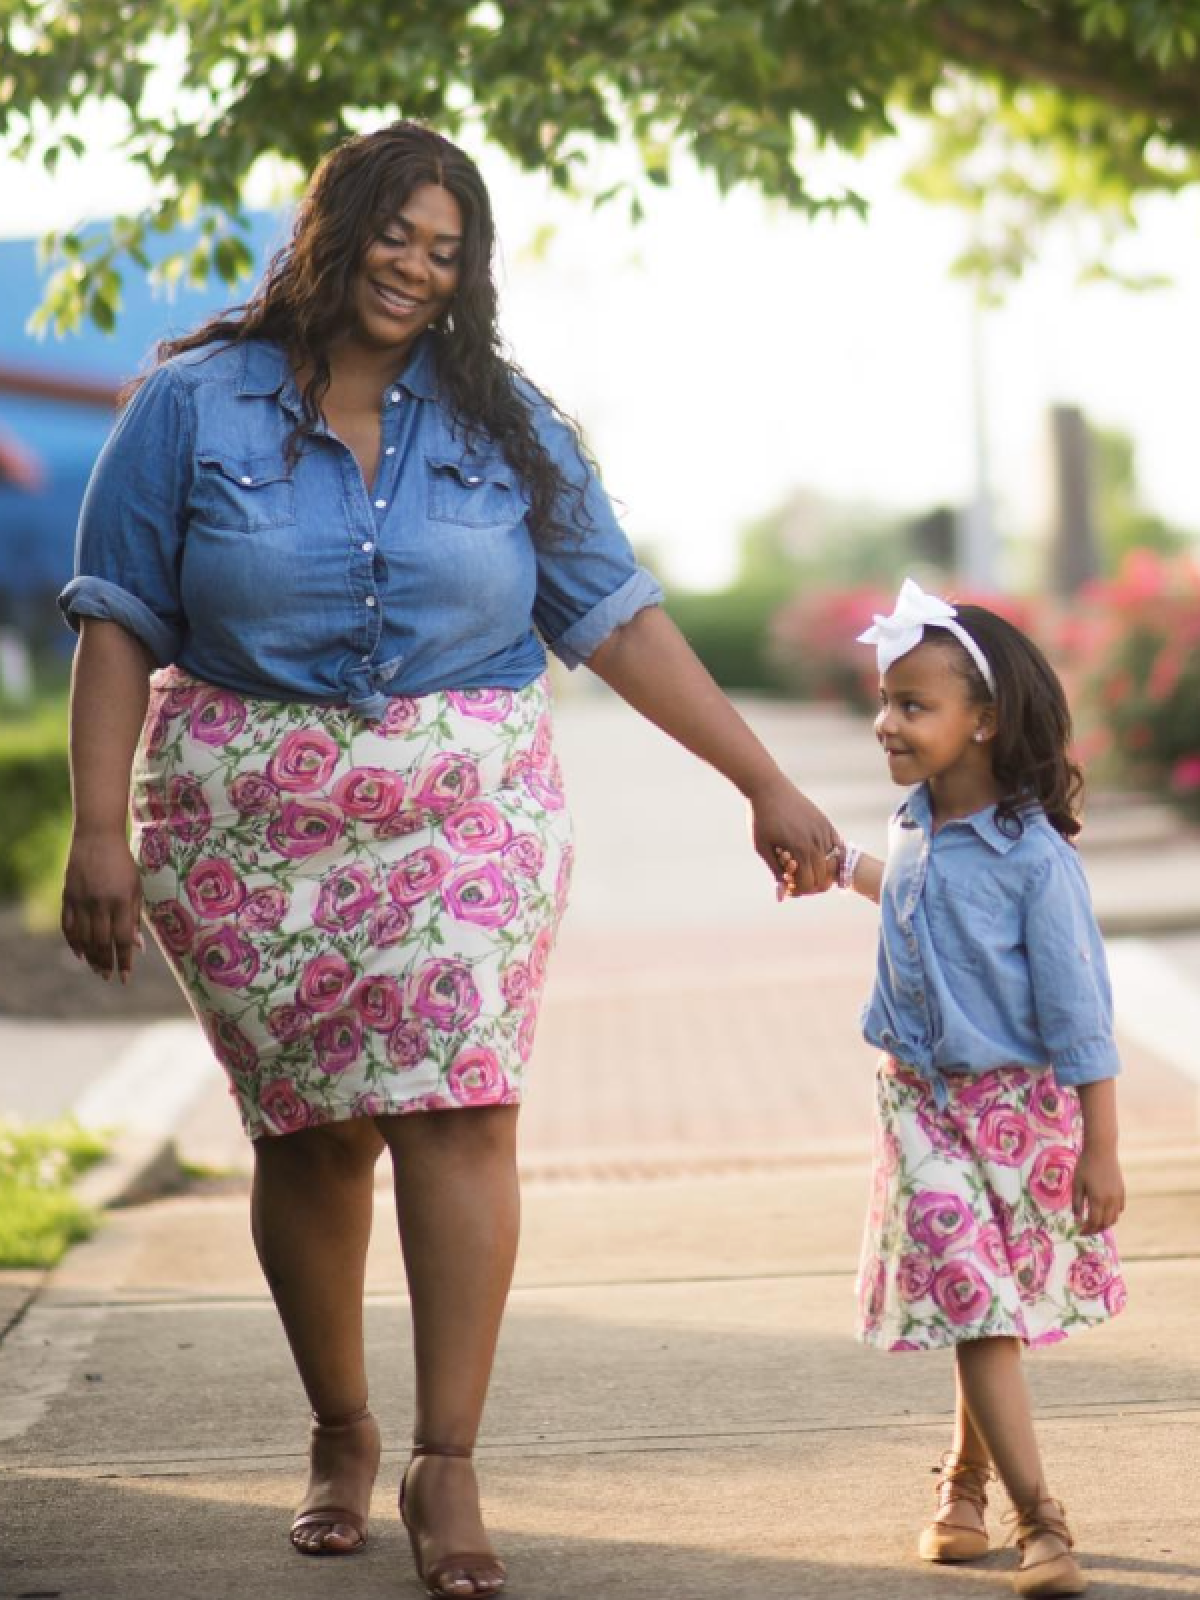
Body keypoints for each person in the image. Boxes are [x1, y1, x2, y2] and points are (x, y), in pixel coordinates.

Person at [57, 121, 839, 1598]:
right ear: (327, 229)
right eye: (395, 233)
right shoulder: (184, 408)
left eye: (447, 248)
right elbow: (116, 622)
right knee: (310, 1134)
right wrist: (97, 830)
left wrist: (766, 782)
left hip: (462, 807)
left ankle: (446, 1458)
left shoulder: (509, 423)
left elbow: (615, 615)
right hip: (248, 817)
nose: (415, 267)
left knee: (463, 1108)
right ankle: (340, 1428)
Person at [779, 579, 1126, 1598]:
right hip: (921, 1105)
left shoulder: (1035, 860)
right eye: (886, 699)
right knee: (975, 1300)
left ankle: (970, 1484)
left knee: (993, 1308)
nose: (888, 721)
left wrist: (1103, 1145)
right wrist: (844, 866)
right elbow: (923, 903)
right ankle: (1040, 1520)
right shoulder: (917, 822)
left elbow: (1083, 1013)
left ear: (986, 720)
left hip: (1021, 1113)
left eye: (914, 704)